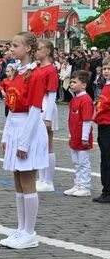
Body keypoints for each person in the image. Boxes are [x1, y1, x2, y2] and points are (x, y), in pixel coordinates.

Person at [0, 32, 48, 250]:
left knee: (28, 181)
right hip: (15, 127)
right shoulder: (17, 74)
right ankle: (21, 228)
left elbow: (35, 109)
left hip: (28, 129)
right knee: (18, 181)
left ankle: (30, 231)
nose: (12, 49)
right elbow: (11, 108)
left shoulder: (35, 75)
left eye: (16, 45)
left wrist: (24, 142)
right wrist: (5, 135)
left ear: (28, 48)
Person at [64, 70, 93, 198]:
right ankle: (78, 184)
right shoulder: (75, 99)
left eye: (74, 82)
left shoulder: (86, 100)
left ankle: (85, 186)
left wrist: (85, 137)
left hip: (82, 139)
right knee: (76, 162)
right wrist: (71, 135)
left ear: (83, 85)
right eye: (71, 82)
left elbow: (87, 121)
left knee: (83, 162)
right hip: (74, 137)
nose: (71, 84)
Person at [36, 40, 59, 193]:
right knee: (39, 145)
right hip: (37, 104)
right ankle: (41, 177)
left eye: (39, 49)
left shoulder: (50, 70)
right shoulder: (37, 68)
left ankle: (48, 180)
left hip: (46, 105)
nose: (37, 51)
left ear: (48, 52)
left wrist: (48, 117)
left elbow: (52, 94)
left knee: (48, 144)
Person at [94, 59, 110, 203]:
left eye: (109, 69)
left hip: (108, 125)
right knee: (104, 159)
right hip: (102, 125)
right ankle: (105, 190)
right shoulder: (105, 86)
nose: (106, 71)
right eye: (104, 68)